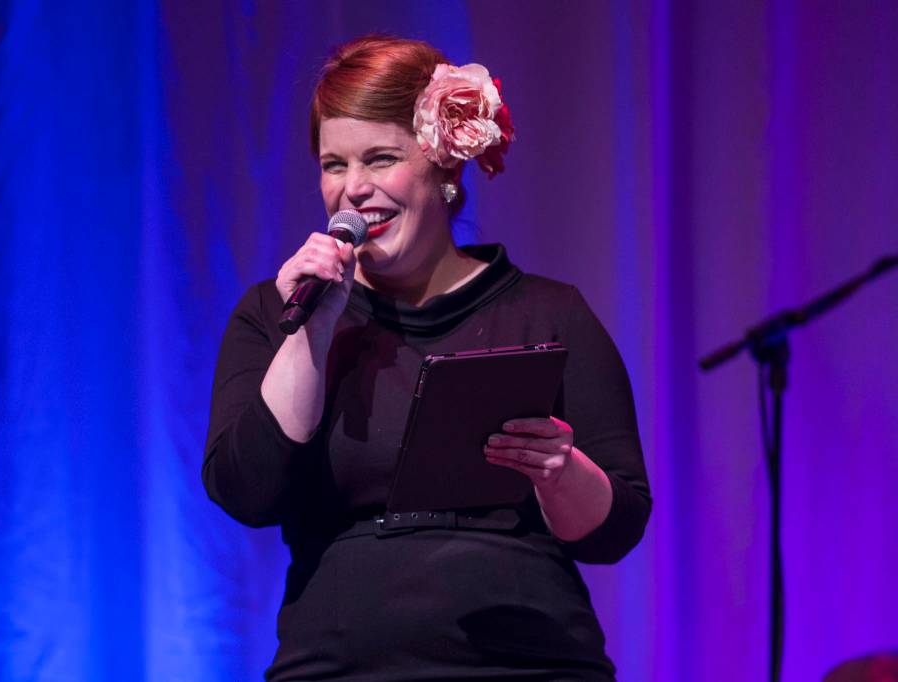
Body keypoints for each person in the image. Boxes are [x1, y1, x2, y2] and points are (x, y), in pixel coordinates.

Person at [203, 34, 651, 681]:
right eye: (333, 165)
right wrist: (313, 330)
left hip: (528, 660)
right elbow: (246, 491)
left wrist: (559, 470)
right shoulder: (276, 312)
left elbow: (617, 531)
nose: (352, 190)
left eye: (380, 159)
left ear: (444, 166)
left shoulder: (550, 313)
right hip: (338, 663)